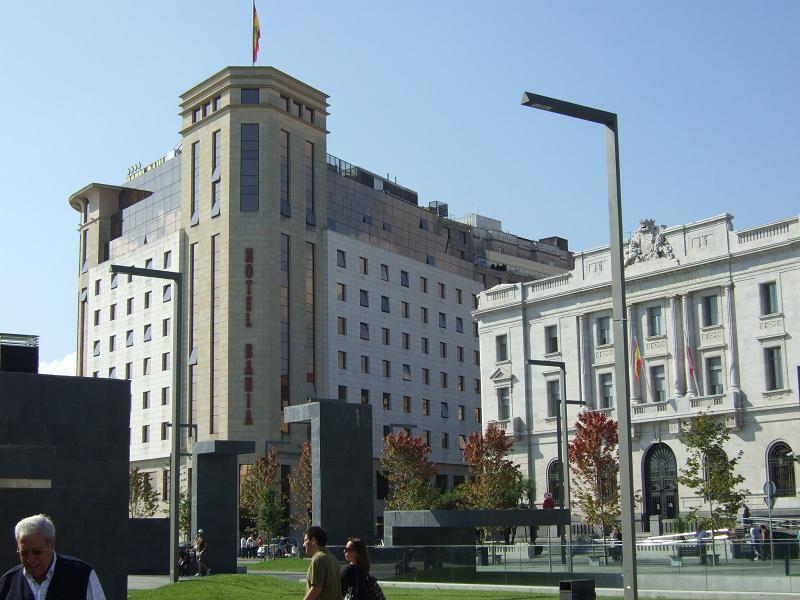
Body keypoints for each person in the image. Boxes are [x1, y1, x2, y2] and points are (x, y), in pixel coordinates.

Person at [0, 514, 106, 599]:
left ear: (52, 544)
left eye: (37, 552)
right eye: (24, 553)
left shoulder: (82, 575)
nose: (30, 559)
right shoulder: (7, 584)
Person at [302, 526, 341, 600]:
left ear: (313, 540)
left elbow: (316, 588)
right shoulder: (333, 558)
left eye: (305, 540)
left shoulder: (318, 559)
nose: (303, 545)